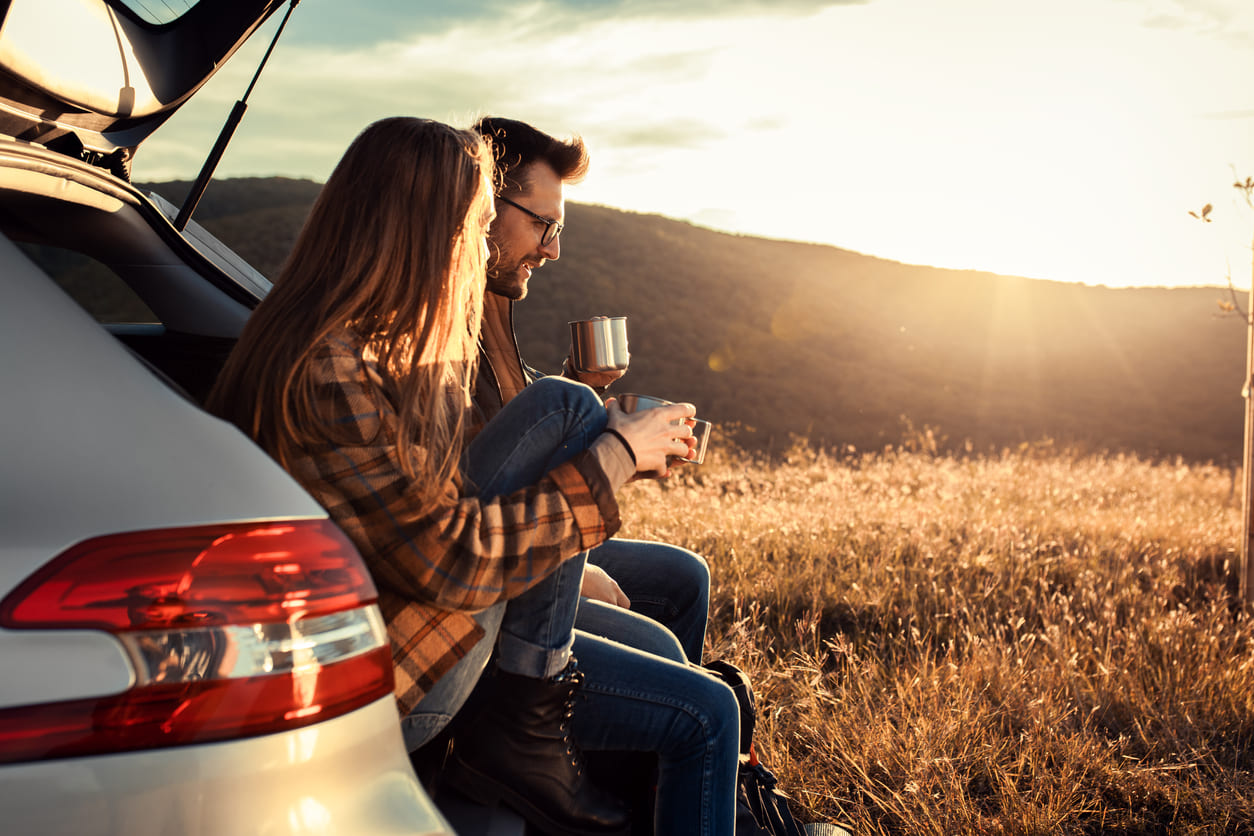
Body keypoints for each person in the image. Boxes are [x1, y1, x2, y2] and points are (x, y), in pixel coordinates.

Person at [206, 117, 739, 836]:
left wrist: (609, 446)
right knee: (705, 712)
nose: (486, 246)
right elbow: (452, 559)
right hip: (389, 676)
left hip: (399, 620)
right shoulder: (330, 371)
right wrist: (609, 453)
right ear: (432, 229)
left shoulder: (365, 343)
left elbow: (453, 493)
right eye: (480, 225)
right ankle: (520, 728)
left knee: (661, 631)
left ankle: (540, 730)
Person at [472, 115, 711, 664]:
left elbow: (508, 428)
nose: (552, 252)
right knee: (669, 661)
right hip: (500, 556)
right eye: (542, 226)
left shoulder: (493, 304)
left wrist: (584, 390)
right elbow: (474, 492)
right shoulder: (440, 322)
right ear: (484, 209)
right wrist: (574, 575)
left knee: (685, 577)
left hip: (518, 532)